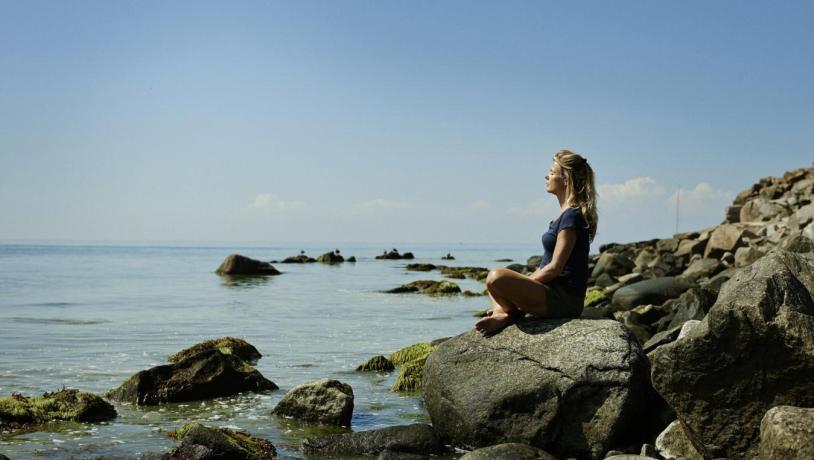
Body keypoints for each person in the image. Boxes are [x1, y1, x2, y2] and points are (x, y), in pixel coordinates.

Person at [475, 150, 598, 336]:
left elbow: (555, 267)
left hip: (564, 299)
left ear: (566, 179)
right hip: (550, 292)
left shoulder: (572, 216)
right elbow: (546, 265)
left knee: (496, 277)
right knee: (493, 282)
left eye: (552, 172)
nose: (546, 176)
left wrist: (523, 283)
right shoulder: (564, 215)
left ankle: (506, 314)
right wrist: (520, 285)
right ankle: (504, 314)